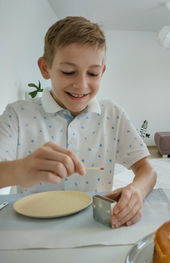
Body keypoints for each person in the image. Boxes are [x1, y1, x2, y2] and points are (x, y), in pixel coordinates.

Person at [0, 16, 156, 227]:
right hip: (32, 232)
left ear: (102, 71)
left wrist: (136, 191)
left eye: (92, 73)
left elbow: (148, 170)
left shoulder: (113, 115)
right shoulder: (18, 115)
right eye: (68, 72)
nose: (81, 85)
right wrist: (20, 170)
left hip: (96, 226)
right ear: (45, 68)